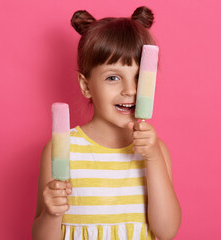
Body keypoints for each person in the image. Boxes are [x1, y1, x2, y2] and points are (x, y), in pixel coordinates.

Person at [32, 6, 181, 240]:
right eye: (113, 77)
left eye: (139, 77)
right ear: (86, 85)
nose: (130, 90)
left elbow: (167, 230)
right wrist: (51, 214)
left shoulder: (156, 152)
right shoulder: (61, 149)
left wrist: (152, 158)